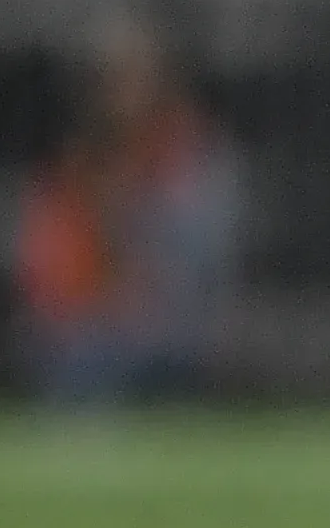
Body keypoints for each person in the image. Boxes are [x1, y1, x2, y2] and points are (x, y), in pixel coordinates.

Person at [16, 20, 240, 405]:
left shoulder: (188, 156)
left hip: (169, 330)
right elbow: (46, 268)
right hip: (88, 335)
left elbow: (202, 259)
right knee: (80, 355)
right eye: (111, 79)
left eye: (136, 76)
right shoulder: (75, 165)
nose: (124, 91)